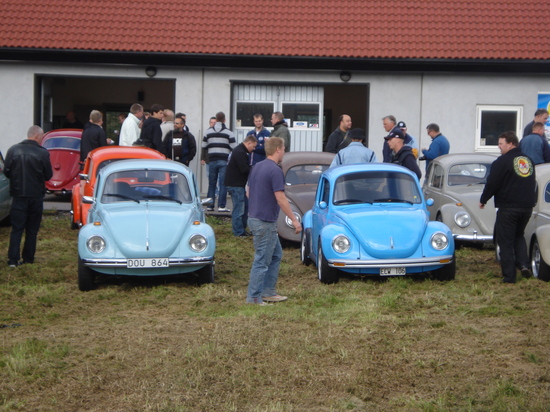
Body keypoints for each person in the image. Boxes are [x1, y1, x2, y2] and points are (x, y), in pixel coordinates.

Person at [246, 137, 301, 305]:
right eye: (283, 149)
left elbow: (248, 192)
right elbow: (281, 198)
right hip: (264, 222)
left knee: (276, 255)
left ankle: (268, 291)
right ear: (278, 149)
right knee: (262, 260)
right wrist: (294, 220)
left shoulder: (257, 166)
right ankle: (254, 297)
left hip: (254, 218)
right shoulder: (275, 170)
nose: (284, 152)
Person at [479, 131, 536, 284]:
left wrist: (483, 199)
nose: (499, 147)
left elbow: (493, 183)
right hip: (527, 207)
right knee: (519, 235)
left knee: (505, 241)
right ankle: (524, 265)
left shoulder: (502, 162)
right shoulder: (528, 161)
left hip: (509, 207)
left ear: (510, 144)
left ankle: (509, 276)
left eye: (501, 144)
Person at [4, 126, 53, 267]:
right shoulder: (42, 153)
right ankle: (28, 258)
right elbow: (48, 175)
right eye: (42, 137)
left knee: (16, 228)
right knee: (32, 229)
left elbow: (7, 171)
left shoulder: (13, 150)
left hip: (18, 194)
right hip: (36, 195)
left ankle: (13, 259)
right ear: (37, 136)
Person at [201, 111, 236, 212]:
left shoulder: (208, 132)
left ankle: (209, 206)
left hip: (212, 160)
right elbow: (234, 147)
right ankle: (221, 206)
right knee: (223, 184)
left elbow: (203, 145)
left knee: (212, 184)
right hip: (224, 161)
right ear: (224, 120)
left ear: (216, 120)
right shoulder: (229, 132)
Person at [224, 134, 257, 236]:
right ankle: (238, 232)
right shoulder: (240, 152)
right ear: (249, 143)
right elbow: (244, 169)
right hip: (235, 185)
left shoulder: (240, 151)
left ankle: (242, 229)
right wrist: (255, 168)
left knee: (245, 207)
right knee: (239, 209)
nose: (254, 149)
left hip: (237, 184)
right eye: (253, 146)